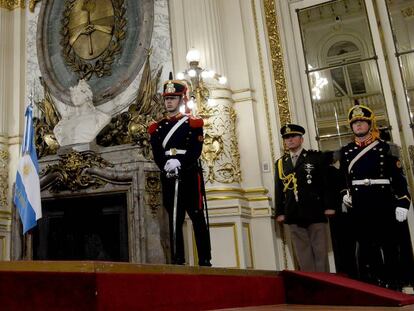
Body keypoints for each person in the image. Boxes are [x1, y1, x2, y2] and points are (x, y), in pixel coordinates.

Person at [340, 104, 411, 289]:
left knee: (389, 244)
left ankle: (394, 282)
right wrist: (344, 194)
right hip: (360, 202)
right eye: (355, 123)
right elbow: (343, 178)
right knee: (367, 245)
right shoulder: (346, 151)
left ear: (370, 124)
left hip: (383, 201)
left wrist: (403, 202)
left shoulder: (388, 148)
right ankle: (374, 283)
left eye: (362, 121)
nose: (358, 125)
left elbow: (398, 177)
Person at [148, 79, 211, 266]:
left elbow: (195, 150)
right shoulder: (157, 127)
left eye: (173, 98)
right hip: (168, 175)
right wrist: (165, 165)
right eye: (167, 98)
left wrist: (180, 162)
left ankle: (205, 259)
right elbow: (157, 152)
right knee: (174, 219)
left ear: (181, 100)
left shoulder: (192, 123)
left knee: (197, 217)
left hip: (189, 175)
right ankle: (178, 259)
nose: (169, 102)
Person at [275, 124, 335, 272]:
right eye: (286, 138)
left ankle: (323, 283)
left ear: (301, 139)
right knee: (302, 251)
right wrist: (280, 212)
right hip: (293, 212)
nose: (289, 140)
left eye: (293, 137)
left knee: (320, 250)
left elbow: (325, 184)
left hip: (315, 210)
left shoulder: (315, 158)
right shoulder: (281, 163)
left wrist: (329, 206)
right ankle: (310, 282)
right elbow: (278, 188)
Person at [53, 79, 111, 146]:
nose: (75, 97)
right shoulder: (64, 121)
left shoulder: (100, 117)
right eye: (73, 95)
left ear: (87, 96)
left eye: (78, 94)